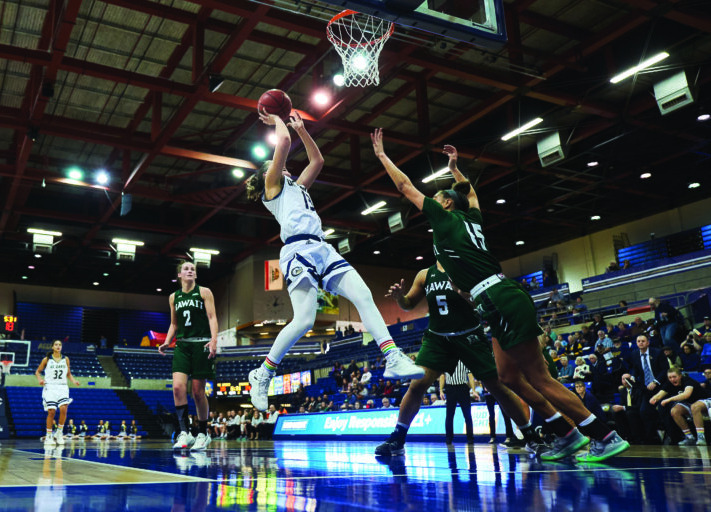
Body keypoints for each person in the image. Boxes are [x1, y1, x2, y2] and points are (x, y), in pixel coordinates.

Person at [370, 130, 629, 462]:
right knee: (507, 377)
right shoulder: (472, 217)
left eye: (437, 197)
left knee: (540, 379)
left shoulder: (446, 220)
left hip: (496, 298)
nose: (431, 202)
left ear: (447, 203)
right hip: (498, 298)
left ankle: (602, 435)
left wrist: (381, 156)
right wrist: (455, 168)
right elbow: (473, 194)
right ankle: (565, 436)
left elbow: (405, 186)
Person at [245, 110, 423, 412]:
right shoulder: (273, 187)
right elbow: (283, 141)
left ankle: (392, 356)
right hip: (297, 249)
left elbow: (318, 161)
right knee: (304, 320)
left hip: (322, 248)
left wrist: (302, 129)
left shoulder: (297, 187)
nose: (286, 168)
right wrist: (276, 118)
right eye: (281, 165)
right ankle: (262, 373)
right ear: (268, 173)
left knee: (364, 295)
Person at [159, 261, 217, 452]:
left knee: (198, 392)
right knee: (177, 388)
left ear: (195, 275)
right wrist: (168, 341)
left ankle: (203, 433)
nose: (190, 270)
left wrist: (214, 340)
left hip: (201, 343)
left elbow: (212, 318)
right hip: (182, 345)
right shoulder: (173, 297)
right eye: (186, 269)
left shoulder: (204, 292)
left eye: (193, 269)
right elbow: (174, 324)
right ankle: (185, 432)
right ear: (180, 275)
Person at [35, 340, 80, 446]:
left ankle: (59, 432)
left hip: (62, 387)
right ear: (52, 347)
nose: (58, 346)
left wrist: (74, 381)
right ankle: (49, 436)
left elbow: (68, 374)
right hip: (50, 386)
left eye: (60, 345)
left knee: (64, 409)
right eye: (56, 345)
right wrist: (40, 380)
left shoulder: (66, 359)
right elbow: (37, 372)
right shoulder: (46, 359)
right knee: (51, 412)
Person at [649, 367, 709, 445]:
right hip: (690, 403)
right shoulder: (669, 383)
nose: (672, 379)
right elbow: (660, 394)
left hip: (706, 400)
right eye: (670, 377)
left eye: (674, 377)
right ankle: (689, 437)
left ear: (680, 376)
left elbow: (686, 395)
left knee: (695, 407)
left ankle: (701, 438)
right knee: (675, 411)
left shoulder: (687, 381)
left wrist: (669, 400)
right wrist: (654, 398)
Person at [441, 363, 476, 445]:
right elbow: (442, 376)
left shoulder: (464, 359)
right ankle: (449, 438)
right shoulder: (446, 359)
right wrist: (441, 390)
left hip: (462, 387)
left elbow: (470, 375)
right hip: (450, 388)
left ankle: (470, 437)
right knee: (449, 415)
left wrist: (473, 390)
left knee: (467, 414)